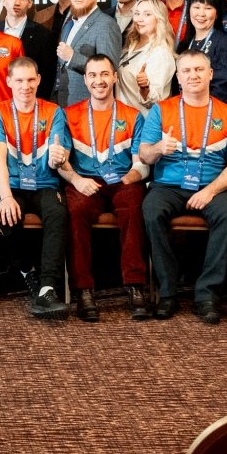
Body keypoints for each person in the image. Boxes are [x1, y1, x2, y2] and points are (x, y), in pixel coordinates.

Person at [136, 49, 227, 323]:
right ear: (178, 77)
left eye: (199, 69)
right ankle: (167, 292)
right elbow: (144, 154)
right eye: (186, 70)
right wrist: (159, 148)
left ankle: (207, 295)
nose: (193, 75)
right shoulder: (162, 110)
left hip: (212, 186)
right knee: (151, 210)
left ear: (210, 74)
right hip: (168, 185)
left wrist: (209, 191)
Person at [59, 52, 151, 322]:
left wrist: (130, 178)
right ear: (85, 80)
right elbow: (62, 161)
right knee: (75, 212)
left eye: (104, 74)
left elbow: (142, 163)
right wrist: (77, 180)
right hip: (86, 180)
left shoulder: (133, 116)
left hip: (123, 179)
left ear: (114, 78)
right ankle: (84, 290)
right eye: (92, 75)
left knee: (133, 208)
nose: (98, 80)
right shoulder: (69, 115)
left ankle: (135, 286)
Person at [0, 56, 71, 321]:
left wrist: (58, 158)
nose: (26, 86)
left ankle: (47, 288)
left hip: (44, 182)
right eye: (19, 80)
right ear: (9, 82)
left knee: (58, 214)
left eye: (31, 80)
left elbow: (59, 154)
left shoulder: (53, 111)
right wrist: (6, 197)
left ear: (39, 80)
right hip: (10, 183)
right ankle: (27, 270)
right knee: (6, 214)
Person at [51, 0, 123, 109]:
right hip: (61, 105)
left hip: (89, 109)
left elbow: (109, 71)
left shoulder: (106, 25)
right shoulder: (69, 24)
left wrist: (73, 57)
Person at [175, 0, 227, 110]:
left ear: (217, 13)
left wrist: (197, 107)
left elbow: (225, 87)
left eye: (208, 8)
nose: (201, 14)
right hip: (183, 110)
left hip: (211, 111)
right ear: (189, 10)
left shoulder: (223, 43)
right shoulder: (184, 45)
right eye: (196, 7)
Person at [118, 0, 176, 116]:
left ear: (159, 19)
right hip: (124, 120)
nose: (140, 19)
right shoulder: (130, 46)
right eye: (137, 14)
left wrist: (145, 88)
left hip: (144, 122)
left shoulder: (160, 53)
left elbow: (153, 101)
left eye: (147, 14)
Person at [3, 0, 59, 99]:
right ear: (4, 1)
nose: (17, 3)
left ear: (30, 3)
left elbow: (48, 77)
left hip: (31, 101)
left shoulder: (44, 35)